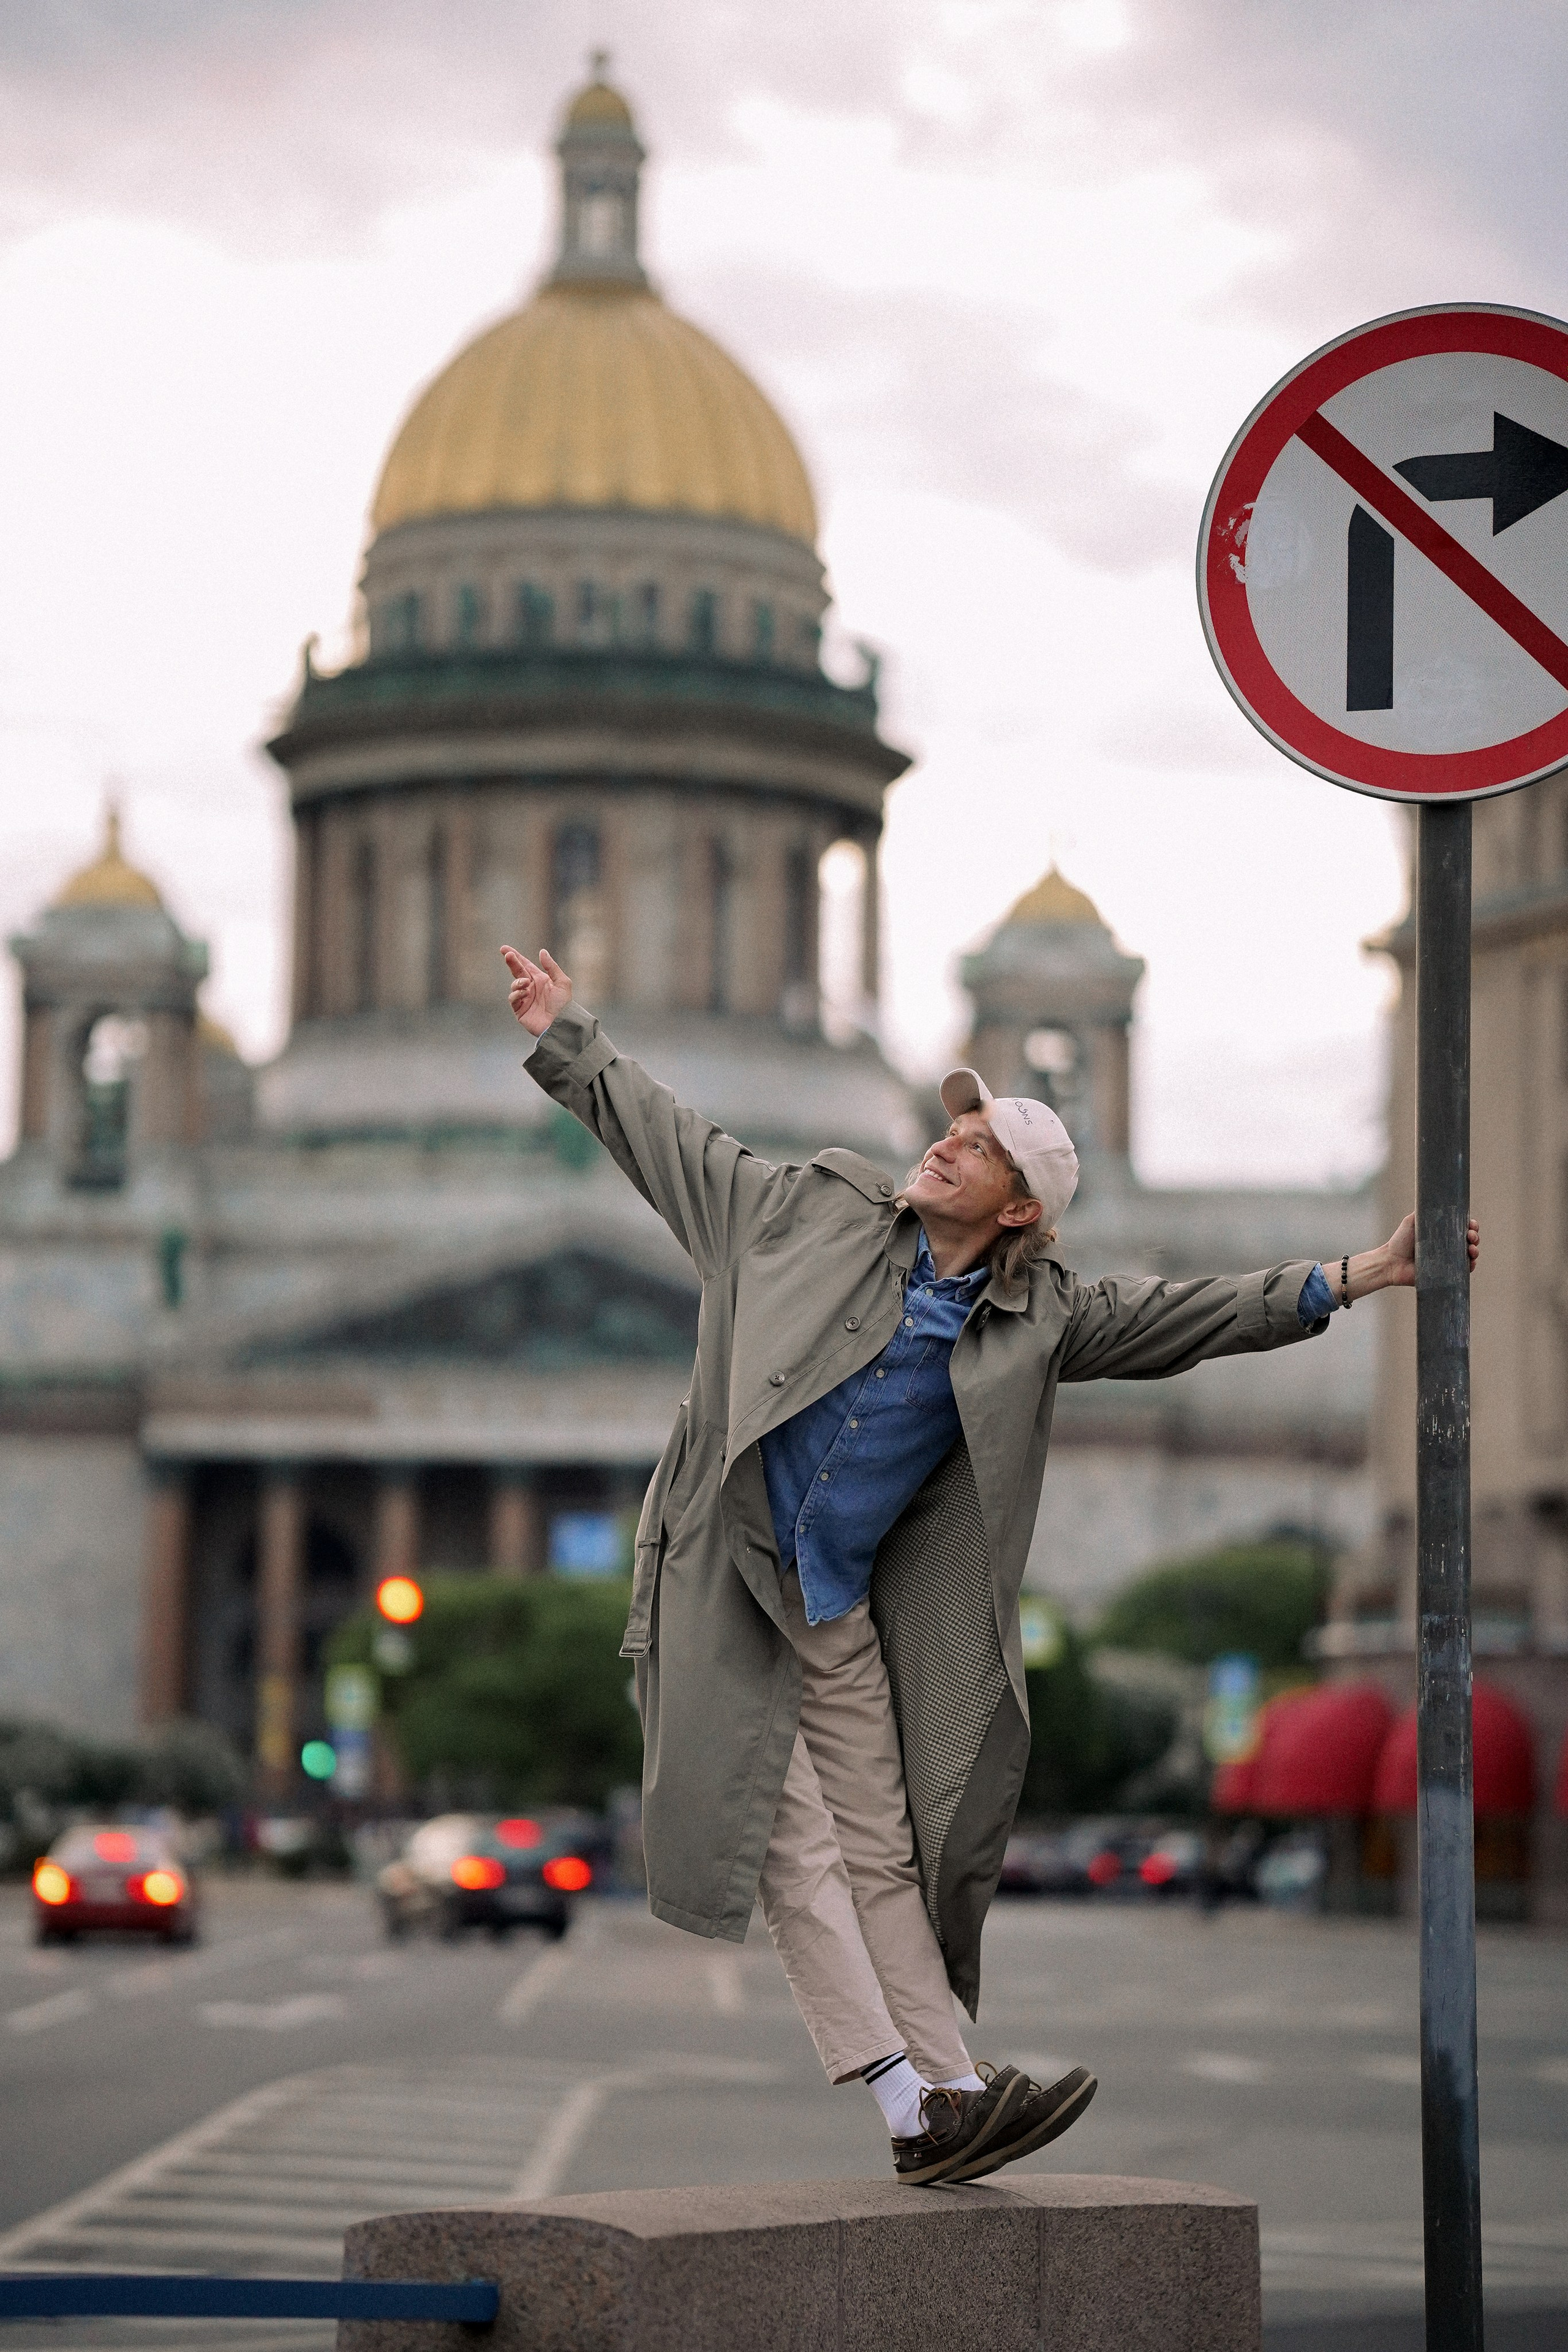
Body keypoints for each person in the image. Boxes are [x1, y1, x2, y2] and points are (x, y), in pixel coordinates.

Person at [501, 944, 1479, 2187]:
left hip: (839, 1609)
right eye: (950, 1126)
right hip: (725, 1577)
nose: (946, 1143)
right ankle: (912, 2103)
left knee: (887, 1854)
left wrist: (1356, 1276)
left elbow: (1185, 1316)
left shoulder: (1038, 1319)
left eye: (980, 1147)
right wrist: (566, 1032)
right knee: (787, 1842)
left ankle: (960, 2088)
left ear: (1019, 1211)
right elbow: (666, 1138)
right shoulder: (799, 1211)